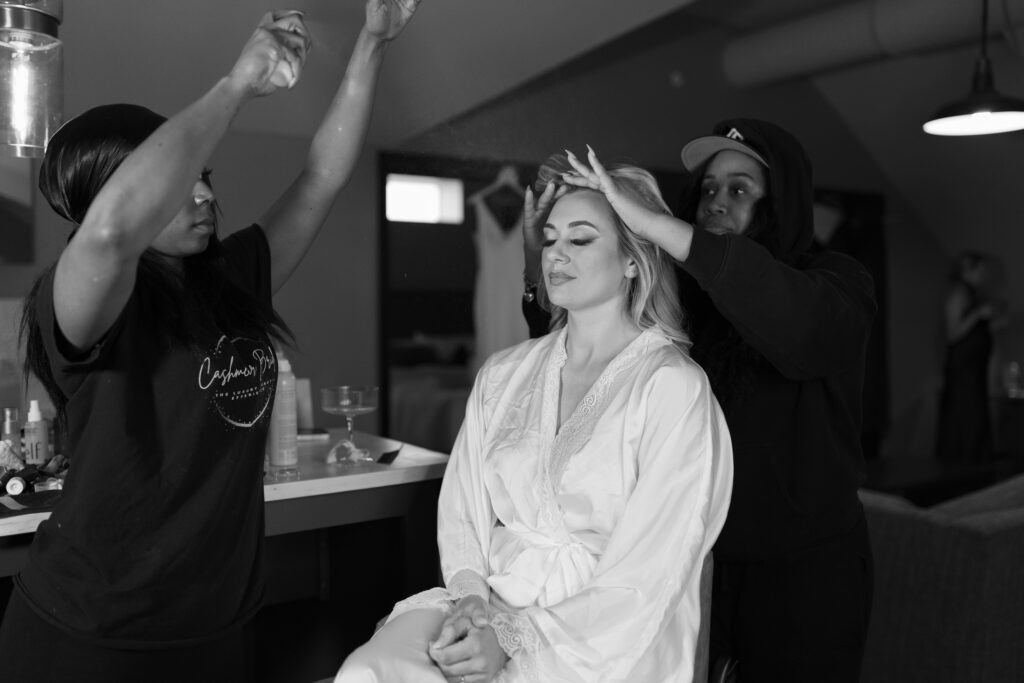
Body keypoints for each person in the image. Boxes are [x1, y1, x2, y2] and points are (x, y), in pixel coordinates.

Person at [0, 3, 421, 681]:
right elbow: (110, 235)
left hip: (218, 629)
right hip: (90, 640)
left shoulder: (233, 277)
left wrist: (372, 44)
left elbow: (321, 176)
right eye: (176, 183)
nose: (201, 194)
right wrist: (235, 85)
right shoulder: (78, 298)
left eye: (205, 175)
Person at [334, 155, 733, 683]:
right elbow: (462, 509)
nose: (555, 255)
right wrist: (473, 603)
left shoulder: (672, 387)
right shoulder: (505, 374)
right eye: (549, 238)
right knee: (370, 670)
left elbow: (653, 570)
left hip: (604, 632)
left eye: (581, 239)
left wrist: (514, 640)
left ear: (634, 259)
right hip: (492, 597)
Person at [523, 121, 876, 682]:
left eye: (739, 189)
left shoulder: (836, 282)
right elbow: (588, 341)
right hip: (695, 565)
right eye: (708, 189)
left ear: (781, 202)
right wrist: (541, 247)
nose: (716, 202)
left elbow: (800, 332)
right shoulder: (687, 295)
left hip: (804, 578)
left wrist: (661, 228)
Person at [936, 251, 1005, 462]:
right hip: (963, 375)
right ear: (967, 270)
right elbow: (953, 334)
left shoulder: (974, 295)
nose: (984, 275)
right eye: (981, 270)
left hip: (976, 373)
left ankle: (976, 474)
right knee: (964, 424)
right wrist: (977, 315)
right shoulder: (958, 295)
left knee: (977, 424)